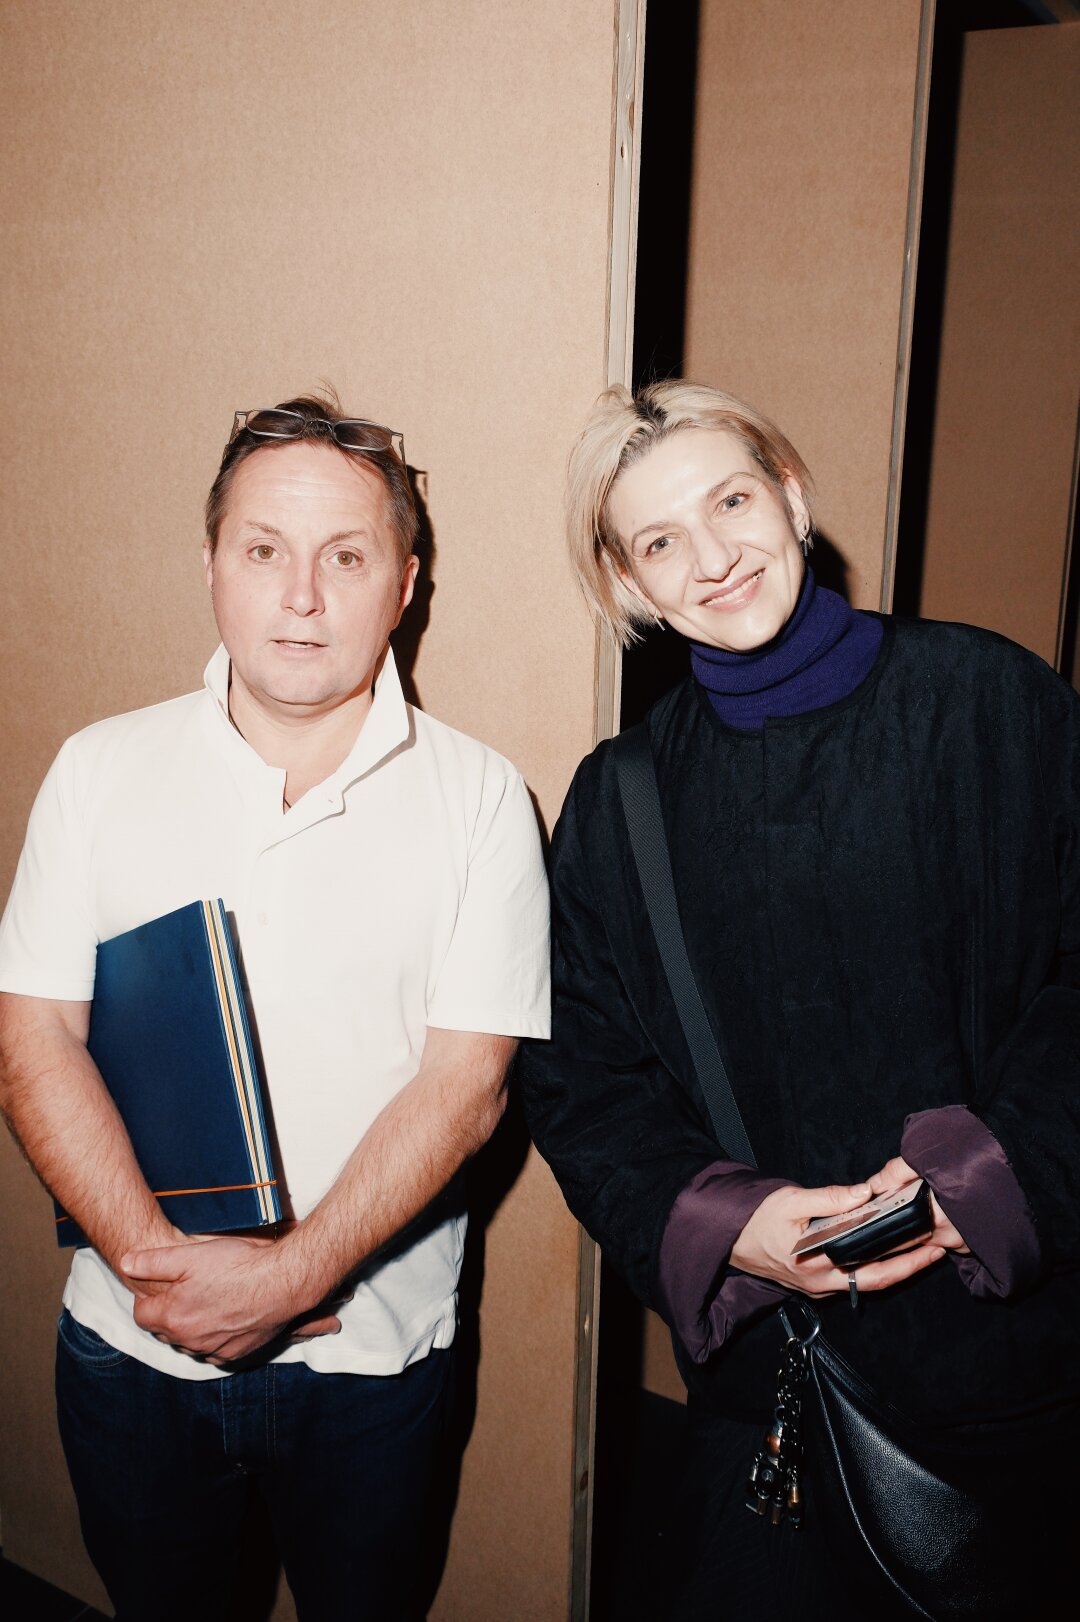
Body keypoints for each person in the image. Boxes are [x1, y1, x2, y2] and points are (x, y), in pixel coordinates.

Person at [518, 379, 1080, 1619]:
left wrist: (994, 1174)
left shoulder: (992, 702)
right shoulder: (620, 803)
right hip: (780, 1376)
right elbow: (579, 1075)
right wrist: (731, 1221)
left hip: (1020, 1366)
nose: (713, 558)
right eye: (661, 539)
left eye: (730, 501)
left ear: (791, 495)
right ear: (628, 583)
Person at [0, 393, 550, 1622]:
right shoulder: (99, 767)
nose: (301, 596)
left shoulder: (482, 799)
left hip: (373, 1362)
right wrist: (158, 1267)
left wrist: (289, 1276)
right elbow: (32, 1036)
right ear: (211, 563)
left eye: (345, 557)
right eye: (263, 549)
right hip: (130, 1342)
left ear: (403, 585)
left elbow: (466, 1090)